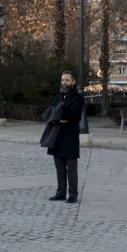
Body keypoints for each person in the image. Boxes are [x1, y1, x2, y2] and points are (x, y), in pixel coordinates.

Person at [44, 71, 84, 203]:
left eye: (67, 80)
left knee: (71, 167)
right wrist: (59, 116)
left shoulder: (78, 98)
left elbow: (72, 114)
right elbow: (50, 112)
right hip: (57, 135)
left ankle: (72, 195)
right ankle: (60, 193)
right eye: (62, 80)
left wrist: (59, 114)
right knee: (59, 166)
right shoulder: (58, 96)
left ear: (73, 82)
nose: (64, 82)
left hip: (70, 136)